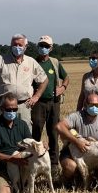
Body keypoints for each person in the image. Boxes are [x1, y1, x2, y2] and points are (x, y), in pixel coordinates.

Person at [0, 34, 47, 129]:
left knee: (25, 135)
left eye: (20, 45)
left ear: (25, 47)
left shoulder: (31, 62)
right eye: (14, 45)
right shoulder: (1, 60)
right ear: (11, 46)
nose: (17, 47)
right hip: (4, 106)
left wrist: (37, 96)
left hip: (24, 106)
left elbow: (44, 80)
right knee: (3, 133)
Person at [55, 92, 98, 187]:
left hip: (92, 156)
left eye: (97, 105)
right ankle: (67, 182)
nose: (94, 107)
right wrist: (77, 142)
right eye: (92, 105)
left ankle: (90, 179)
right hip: (71, 152)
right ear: (85, 105)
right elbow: (59, 127)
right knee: (70, 167)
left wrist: (95, 143)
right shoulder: (76, 116)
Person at [0, 93, 33, 193]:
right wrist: (10, 159)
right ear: (2, 108)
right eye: (9, 110)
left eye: (14, 109)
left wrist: (42, 145)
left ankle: (15, 186)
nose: (12, 112)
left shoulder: (22, 124)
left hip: (19, 167)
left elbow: (30, 145)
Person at [30, 35, 68, 172]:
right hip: (37, 104)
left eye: (46, 46)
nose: (43, 48)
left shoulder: (55, 63)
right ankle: (34, 161)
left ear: (51, 48)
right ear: (37, 46)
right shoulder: (32, 62)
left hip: (54, 103)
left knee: (53, 134)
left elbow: (66, 78)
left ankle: (54, 165)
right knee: (36, 133)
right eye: (41, 45)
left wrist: (62, 88)